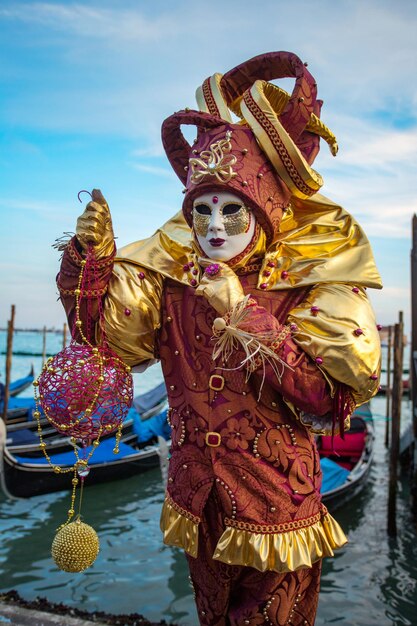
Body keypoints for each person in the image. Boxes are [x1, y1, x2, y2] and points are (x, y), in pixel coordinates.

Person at [57, 51, 382, 626]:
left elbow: (325, 397)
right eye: (201, 209)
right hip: (194, 499)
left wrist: (244, 312)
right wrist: (91, 265)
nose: (213, 226)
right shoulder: (172, 286)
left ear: (264, 212)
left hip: (275, 503)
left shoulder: (303, 288)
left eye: (232, 210)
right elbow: (107, 348)